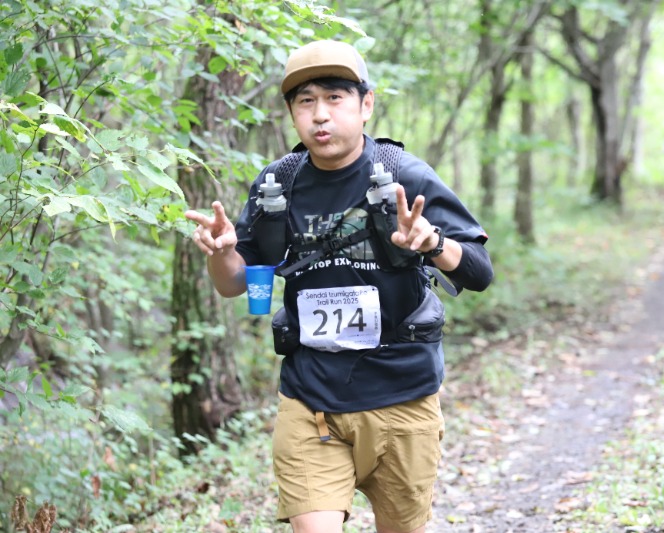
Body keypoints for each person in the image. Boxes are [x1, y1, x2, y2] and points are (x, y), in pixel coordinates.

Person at [185, 40, 493, 533]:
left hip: (402, 394)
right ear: (291, 113)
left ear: (366, 104)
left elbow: (478, 271)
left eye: (334, 98)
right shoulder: (276, 185)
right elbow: (234, 284)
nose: (320, 115)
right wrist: (222, 253)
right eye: (306, 102)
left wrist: (433, 242)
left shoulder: (405, 176)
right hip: (310, 399)